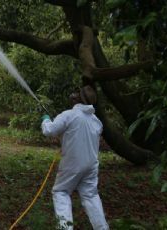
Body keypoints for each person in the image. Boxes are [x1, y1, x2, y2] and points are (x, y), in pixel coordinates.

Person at [41, 85, 108, 230]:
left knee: (60, 192)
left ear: (78, 98)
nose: (73, 95)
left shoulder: (69, 115)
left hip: (73, 164)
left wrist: (46, 119)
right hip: (91, 166)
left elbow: (49, 130)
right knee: (91, 196)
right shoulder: (96, 121)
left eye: (76, 93)